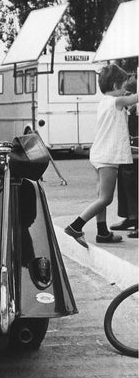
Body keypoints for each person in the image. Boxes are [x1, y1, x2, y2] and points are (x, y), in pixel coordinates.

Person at [65, 64, 138, 247]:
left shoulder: (105, 102)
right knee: (106, 198)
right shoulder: (116, 102)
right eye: (123, 87)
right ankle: (75, 226)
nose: (125, 91)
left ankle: (103, 232)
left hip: (99, 154)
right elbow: (135, 98)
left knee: (101, 196)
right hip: (107, 157)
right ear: (115, 87)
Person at [111, 75, 138, 238]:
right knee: (124, 183)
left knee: (134, 185)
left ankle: (136, 217)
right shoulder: (126, 112)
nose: (126, 98)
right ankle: (130, 217)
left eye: (129, 95)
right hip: (127, 152)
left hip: (135, 153)